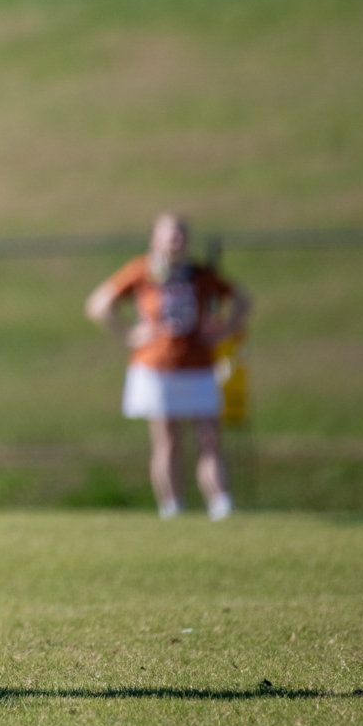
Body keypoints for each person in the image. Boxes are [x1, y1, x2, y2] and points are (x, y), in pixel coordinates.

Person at [85, 213, 250, 520]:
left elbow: (242, 300)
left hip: (199, 365)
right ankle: (172, 507)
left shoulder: (200, 275)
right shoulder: (142, 271)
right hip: (156, 368)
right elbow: (99, 304)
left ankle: (221, 504)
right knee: (168, 439)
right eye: (169, 235)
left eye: (180, 235)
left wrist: (224, 330)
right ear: (155, 239)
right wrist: (129, 334)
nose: (175, 241)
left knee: (209, 437)